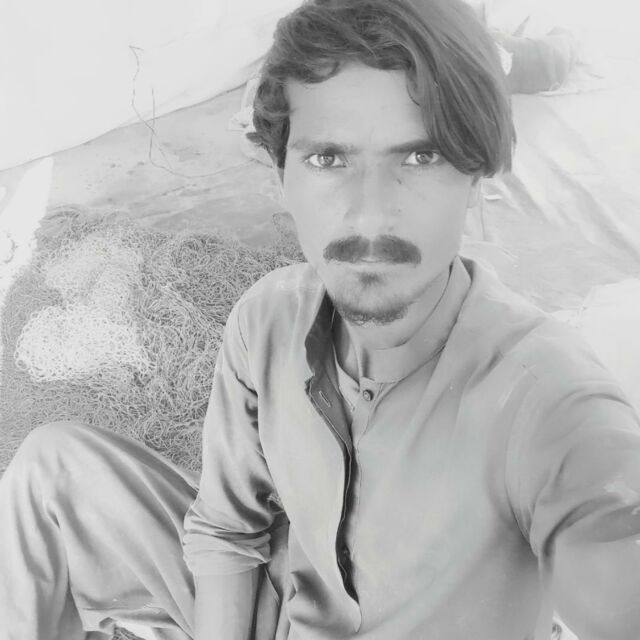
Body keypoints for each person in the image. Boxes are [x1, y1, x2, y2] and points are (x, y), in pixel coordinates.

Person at [1, 0, 640, 639]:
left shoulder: (543, 398)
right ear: (280, 176)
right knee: (52, 468)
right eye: (328, 160)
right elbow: (226, 531)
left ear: (477, 175)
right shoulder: (267, 320)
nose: (370, 213)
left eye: (420, 157)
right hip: (283, 608)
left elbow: (605, 521)